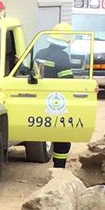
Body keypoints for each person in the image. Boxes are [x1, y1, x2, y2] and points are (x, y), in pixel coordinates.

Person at [36, 34, 76, 170]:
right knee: (62, 137)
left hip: (40, 99)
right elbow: (67, 80)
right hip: (57, 100)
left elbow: (35, 74)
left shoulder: (40, 53)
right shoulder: (63, 56)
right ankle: (59, 169)